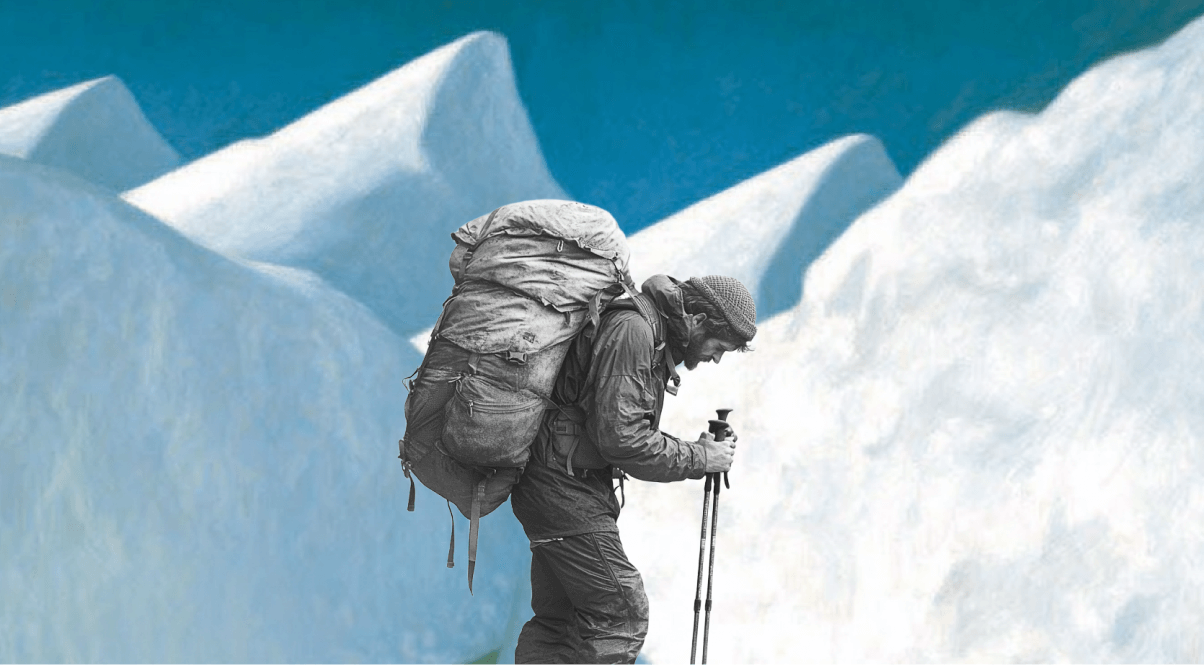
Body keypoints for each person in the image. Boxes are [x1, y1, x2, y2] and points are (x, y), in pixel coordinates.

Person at [509, 273, 757, 665]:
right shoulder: (635, 331)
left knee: (563, 624)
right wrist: (700, 457)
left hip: (558, 484)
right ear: (697, 319)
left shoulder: (647, 331)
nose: (716, 358)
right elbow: (621, 439)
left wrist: (700, 452)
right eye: (718, 346)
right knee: (621, 614)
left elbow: (614, 425)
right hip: (563, 490)